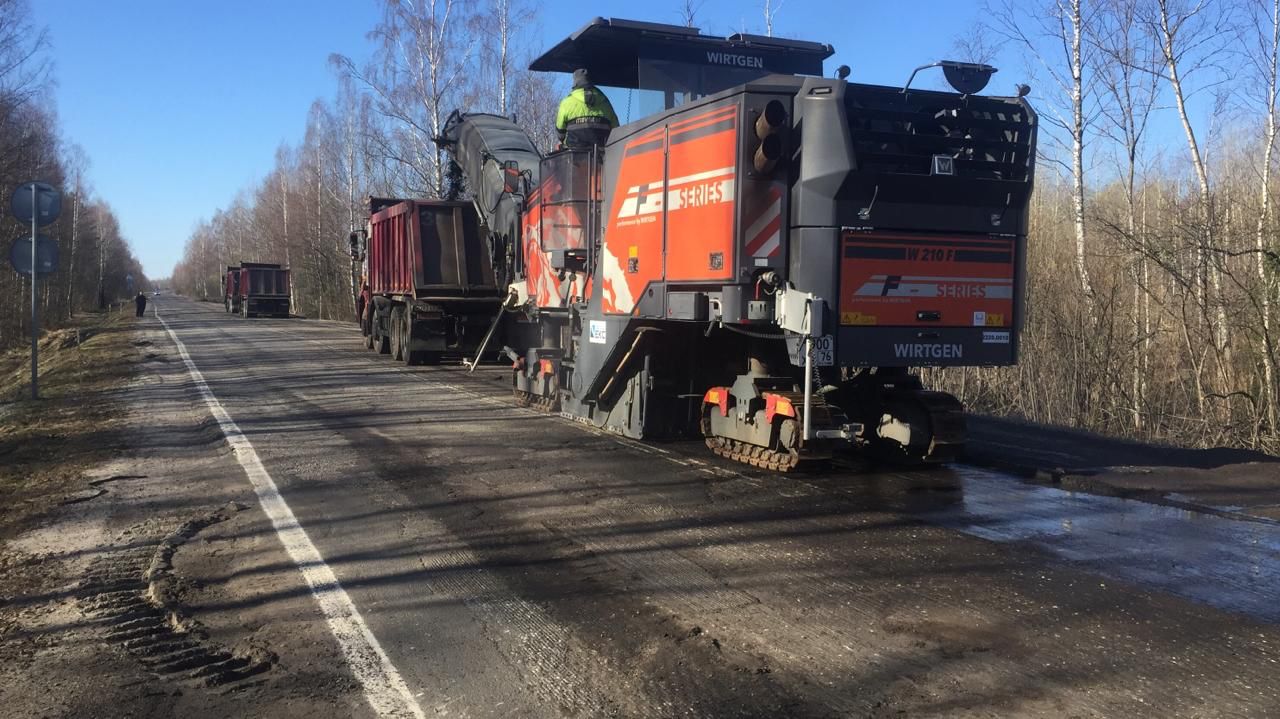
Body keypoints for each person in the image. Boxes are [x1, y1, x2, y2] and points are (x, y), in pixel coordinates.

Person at [555, 68, 619, 149]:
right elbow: (616, 128)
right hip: (603, 155)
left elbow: (560, 133)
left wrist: (561, 141)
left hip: (575, 155)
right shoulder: (605, 101)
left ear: (575, 83)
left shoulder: (567, 102)